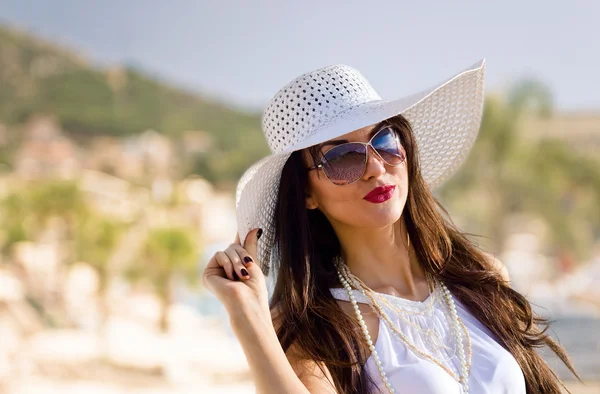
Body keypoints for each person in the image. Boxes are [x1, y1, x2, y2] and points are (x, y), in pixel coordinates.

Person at [201, 60, 578, 394]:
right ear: (306, 194)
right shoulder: (319, 325)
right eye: (343, 157)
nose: (376, 168)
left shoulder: (481, 278)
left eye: (385, 140)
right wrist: (248, 316)